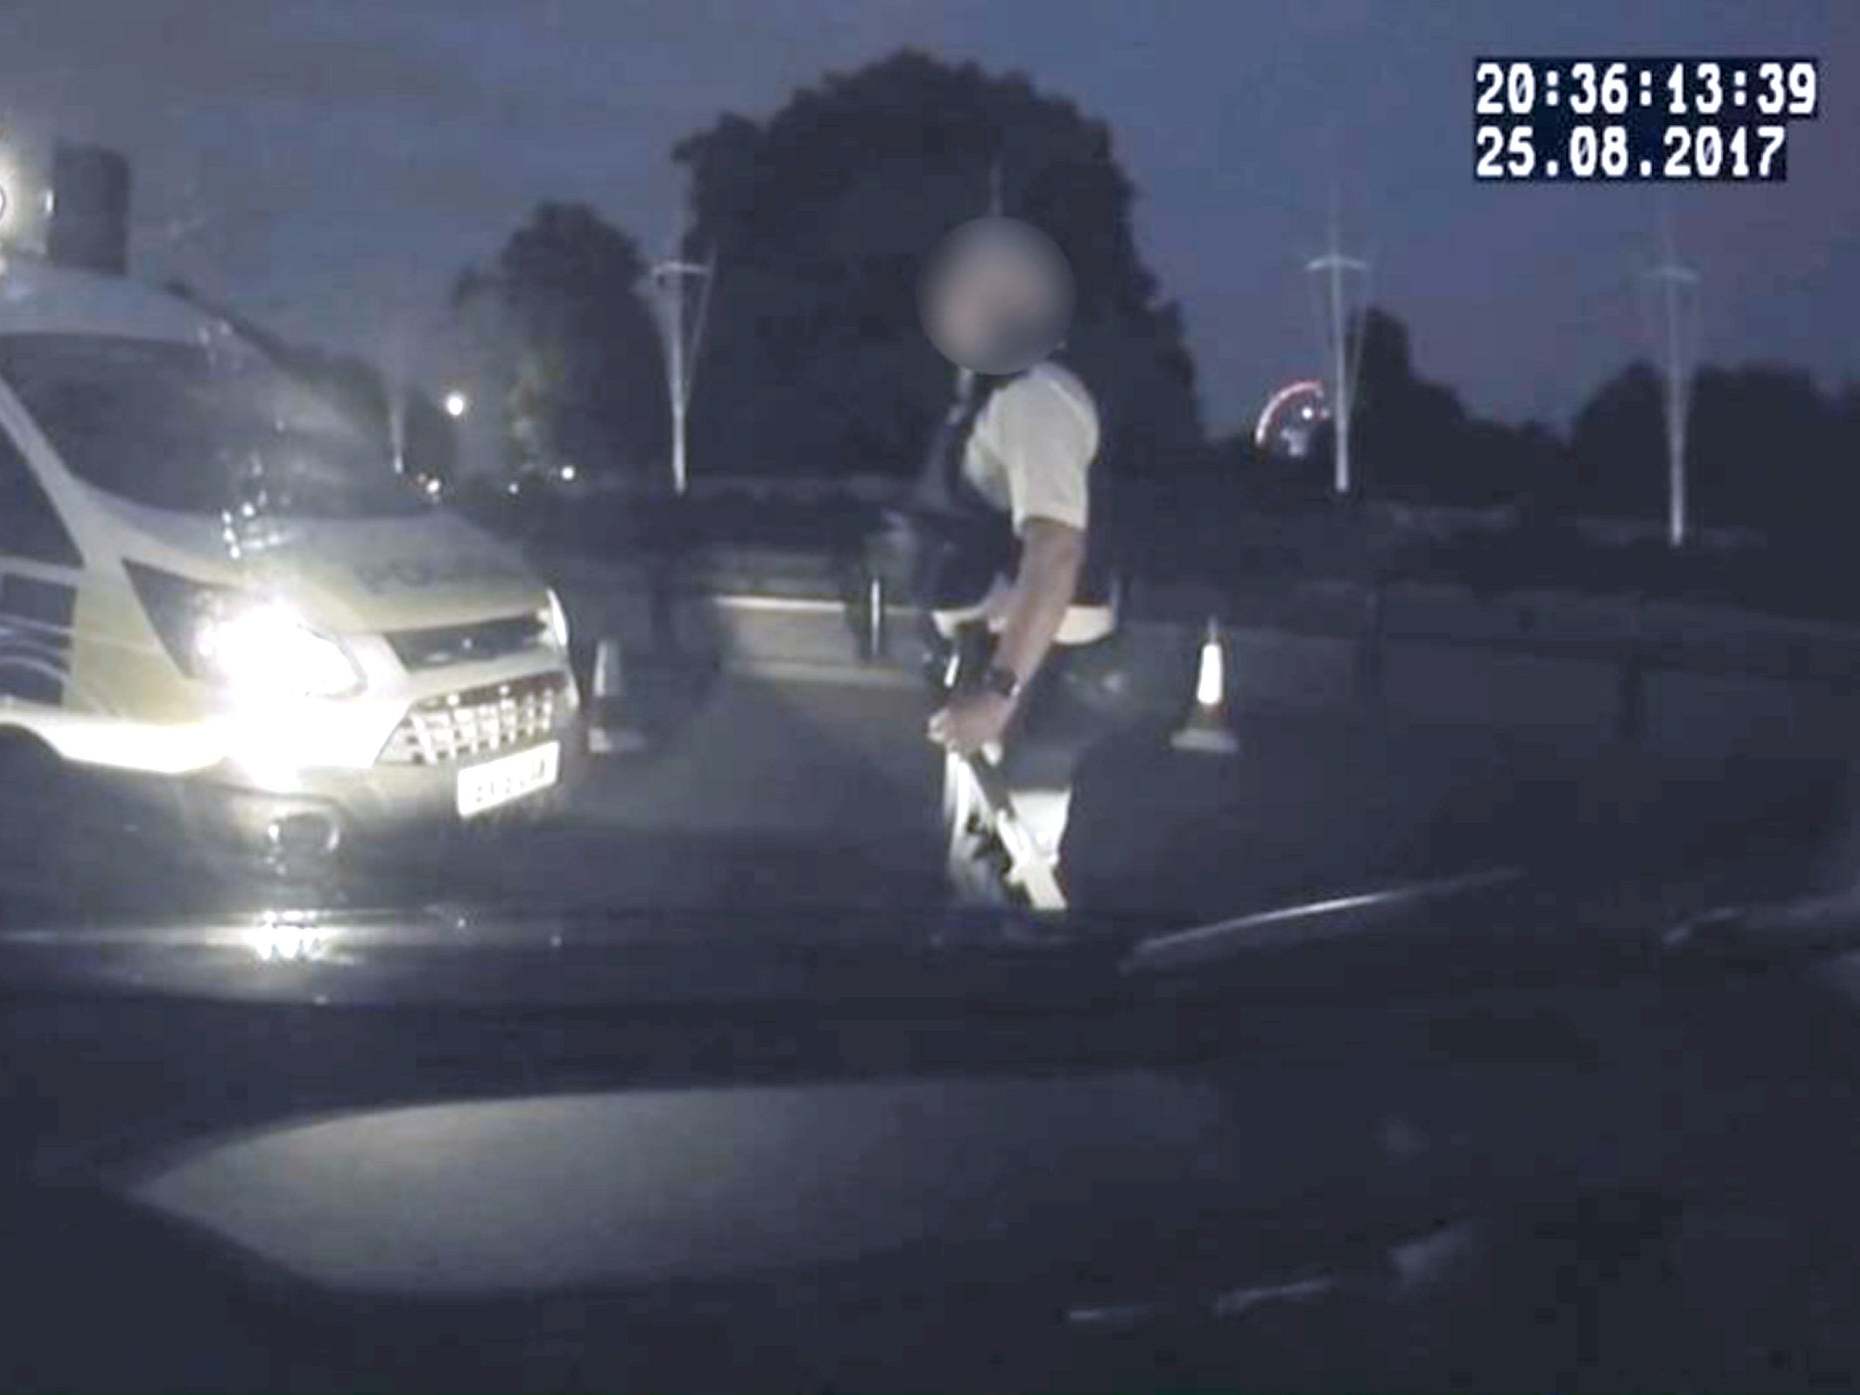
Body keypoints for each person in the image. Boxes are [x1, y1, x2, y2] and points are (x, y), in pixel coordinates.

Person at [908, 218, 1123, 906]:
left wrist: (998, 697)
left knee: (1010, 892)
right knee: (982, 880)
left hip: (1034, 684)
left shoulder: (1036, 398)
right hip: (1015, 674)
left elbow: (1056, 549)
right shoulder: (1000, 399)